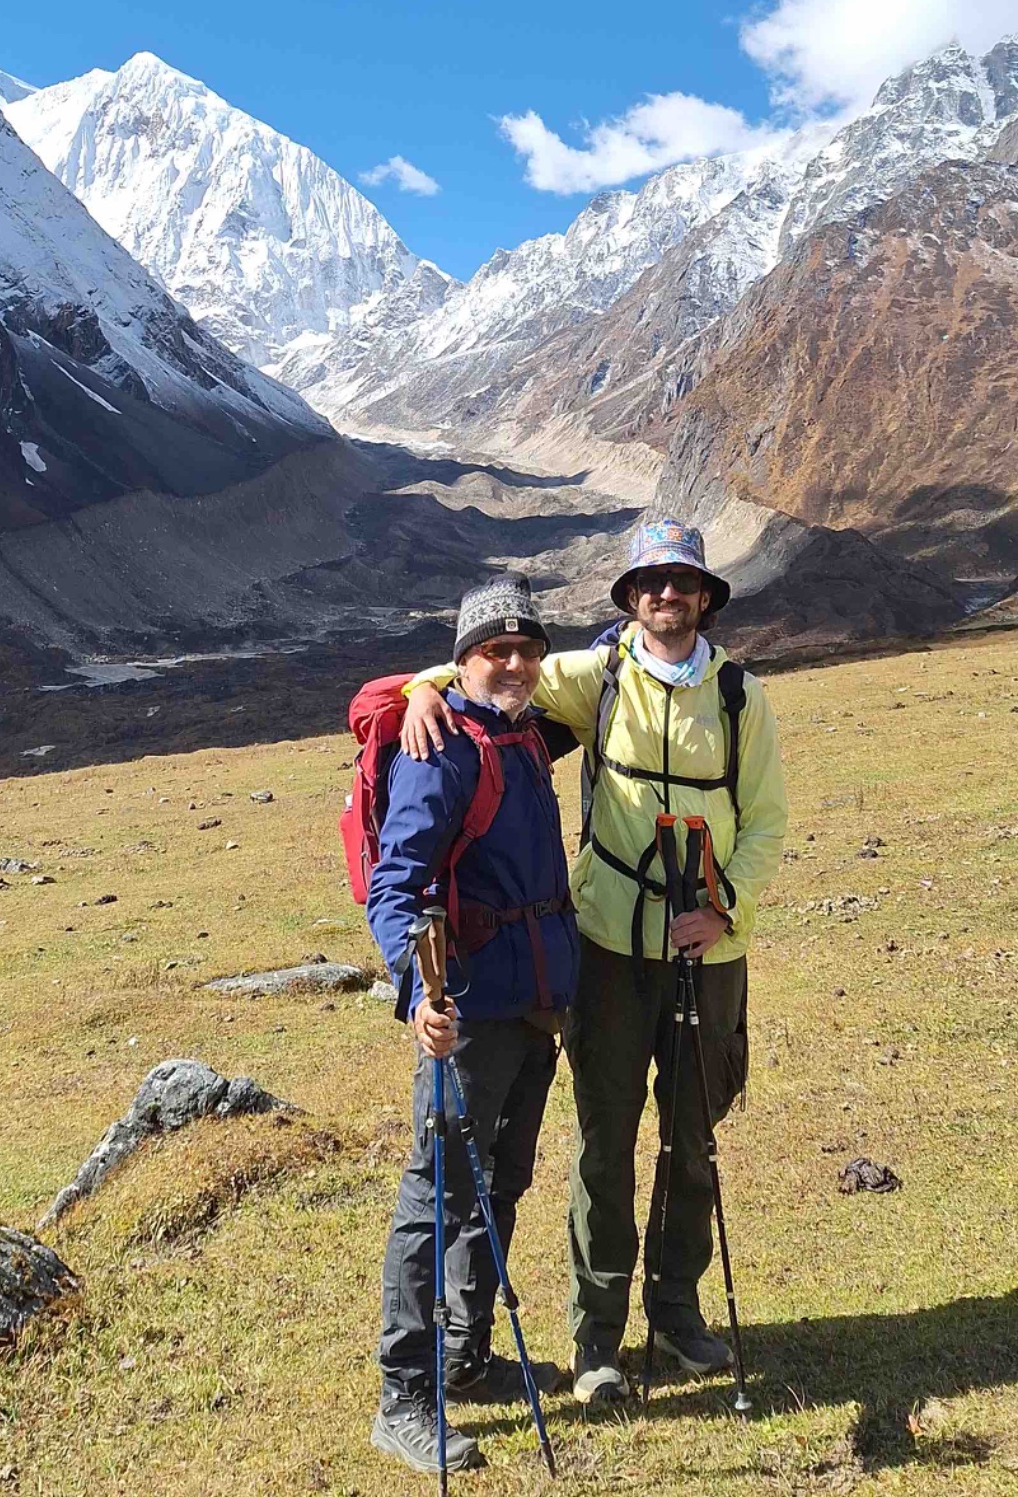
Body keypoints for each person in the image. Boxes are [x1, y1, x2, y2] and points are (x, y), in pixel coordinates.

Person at [401, 519, 788, 1410]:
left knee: (692, 1136)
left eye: (680, 582)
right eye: (650, 582)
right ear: (629, 598)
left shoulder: (740, 698)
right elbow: (489, 673)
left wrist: (722, 904)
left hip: (710, 950)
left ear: (702, 596)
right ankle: (596, 1339)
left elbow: (766, 820)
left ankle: (679, 1314)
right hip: (608, 947)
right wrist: (421, 693)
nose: (666, 595)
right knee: (603, 1143)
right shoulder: (597, 675)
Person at [366, 574, 582, 1475]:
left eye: (528, 648)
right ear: (462, 660)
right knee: (438, 1193)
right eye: (497, 649)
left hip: (535, 1005)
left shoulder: (526, 733)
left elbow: (624, 647)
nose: (517, 663)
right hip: (468, 1013)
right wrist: (419, 998)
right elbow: (397, 883)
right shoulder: (440, 745)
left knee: (505, 1179)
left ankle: (467, 1351)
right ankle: (405, 1397)